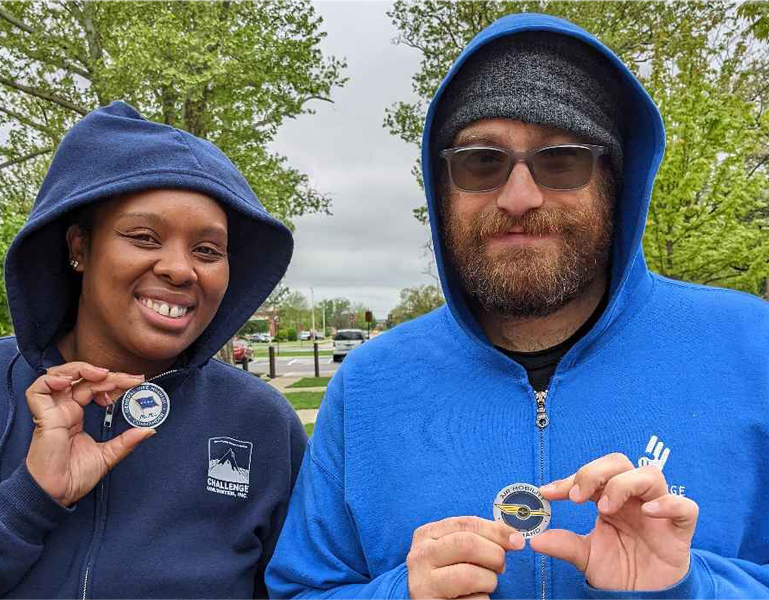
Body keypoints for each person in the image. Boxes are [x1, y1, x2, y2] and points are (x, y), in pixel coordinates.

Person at [266, 13, 769, 599]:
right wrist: (398, 594)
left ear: (615, 182)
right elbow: (299, 590)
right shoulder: (369, 385)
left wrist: (690, 588)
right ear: (441, 187)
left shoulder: (752, 350)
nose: (519, 196)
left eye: (561, 160)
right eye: (482, 162)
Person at [0, 101, 306, 598]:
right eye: (143, 236)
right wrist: (28, 501)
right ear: (78, 247)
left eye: (207, 250)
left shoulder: (262, 422)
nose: (180, 269)